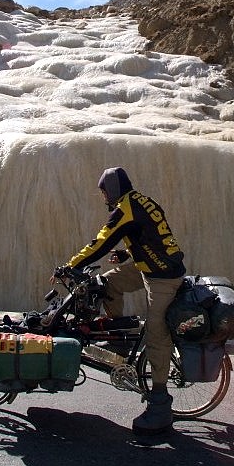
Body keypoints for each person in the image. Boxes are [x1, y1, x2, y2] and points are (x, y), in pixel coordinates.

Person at [56, 166, 185, 433]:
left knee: (156, 335)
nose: (103, 197)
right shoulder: (142, 201)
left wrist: (70, 265)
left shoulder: (124, 209)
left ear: (113, 190)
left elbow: (100, 243)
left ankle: (160, 405)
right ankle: (121, 340)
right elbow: (152, 235)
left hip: (163, 276)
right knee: (108, 283)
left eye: (104, 191)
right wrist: (128, 253)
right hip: (149, 266)